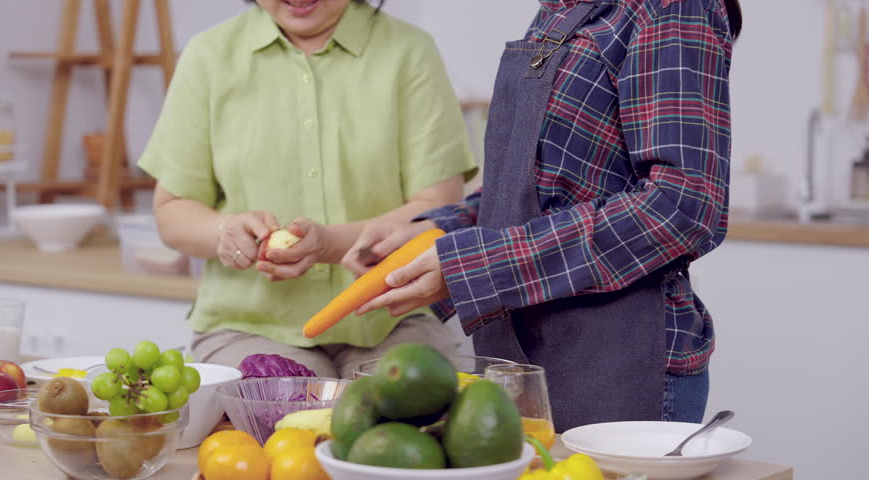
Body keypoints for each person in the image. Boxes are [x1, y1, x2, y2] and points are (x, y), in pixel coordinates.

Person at [344, 0, 742, 430]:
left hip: (616, 365)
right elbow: (539, 188)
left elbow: (681, 207)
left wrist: (476, 265)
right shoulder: (558, 10)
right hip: (521, 357)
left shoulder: (670, 8)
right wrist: (434, 232)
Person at [138, 0, 478, 378]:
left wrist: (330, 243)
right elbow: (172, 212)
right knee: (290, 421)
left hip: (394, 320)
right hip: (249, 327)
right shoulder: (209, 56)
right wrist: (225, 230)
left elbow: (438, 206)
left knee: (400, 424)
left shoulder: (409, 52)